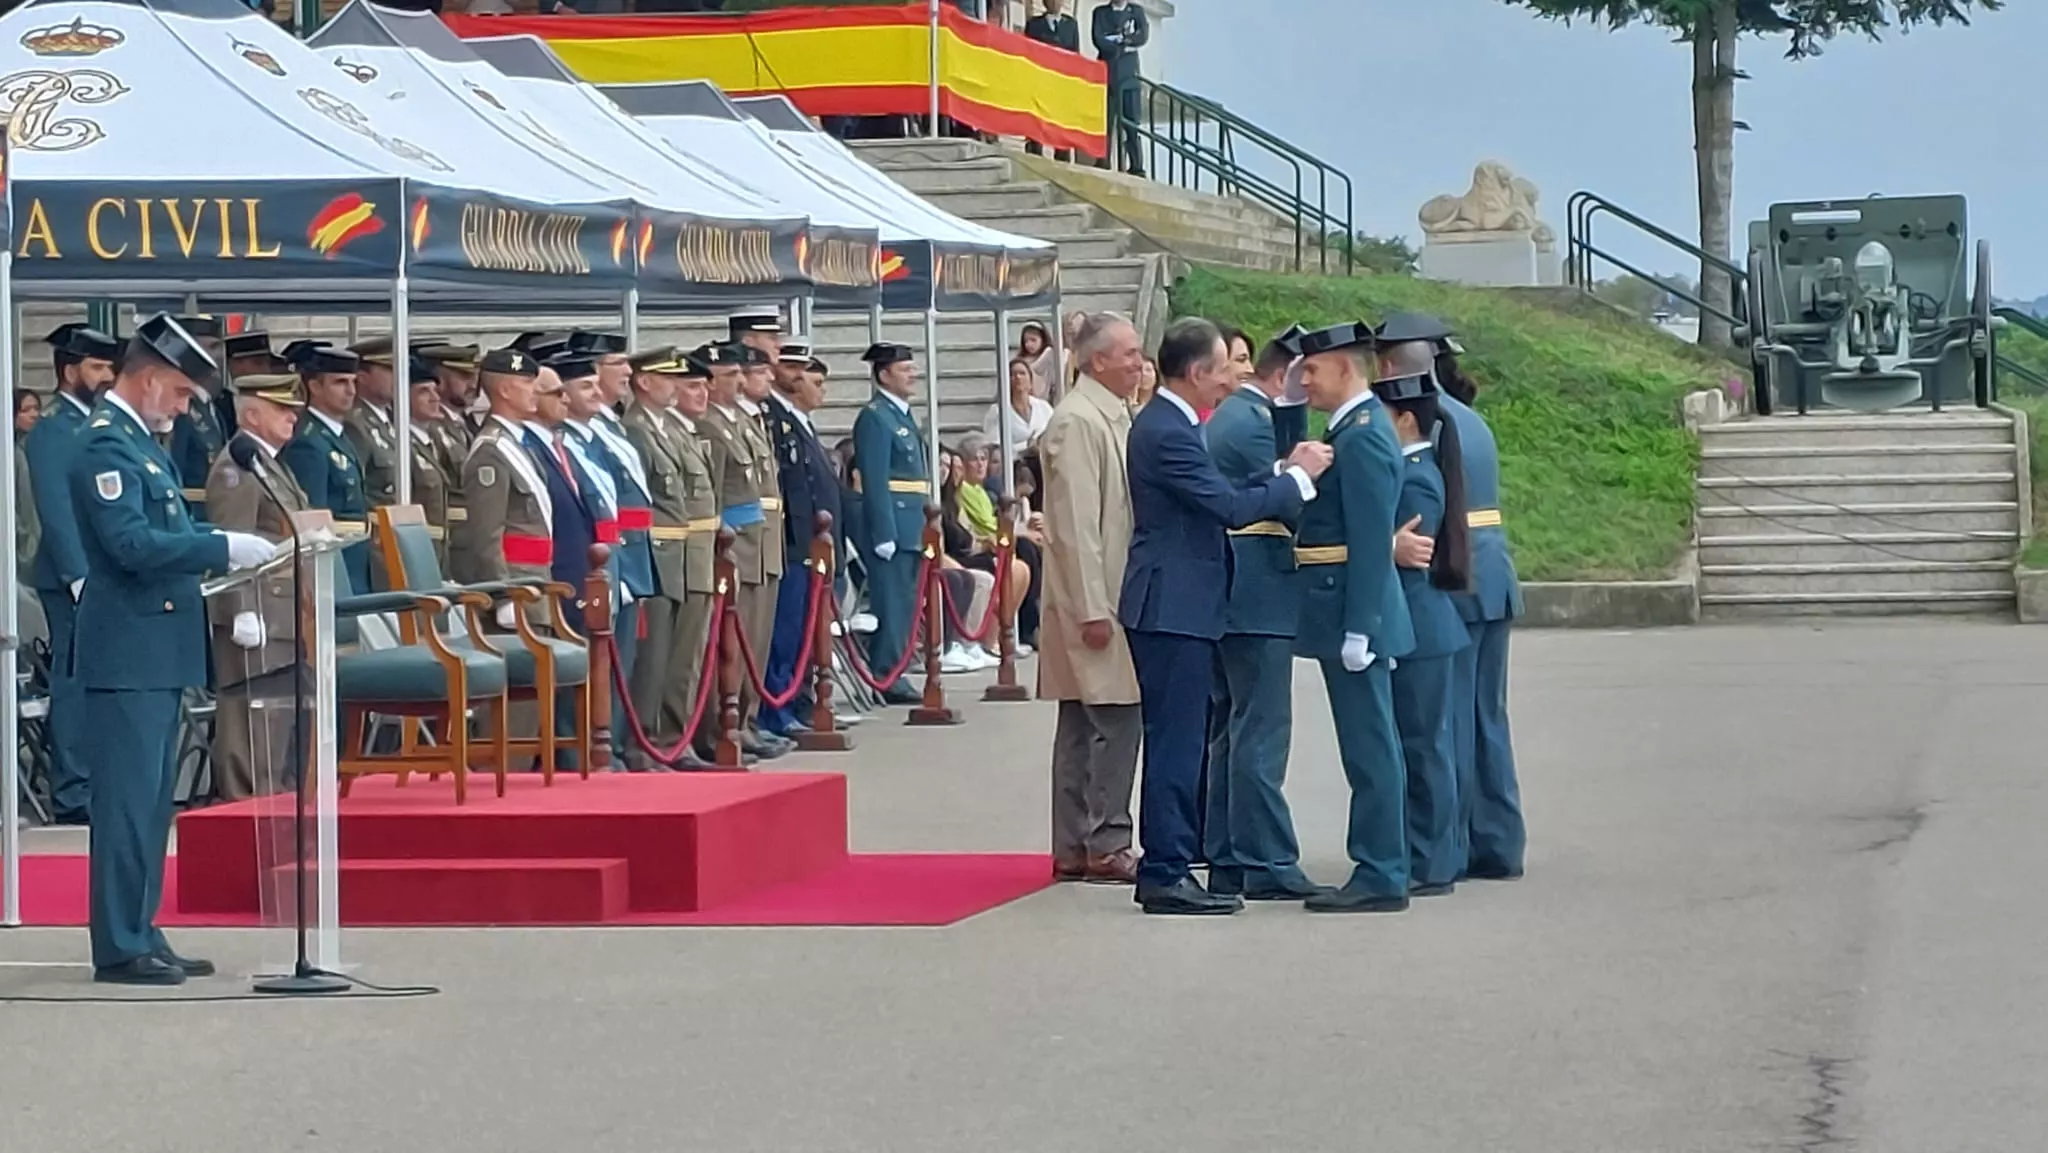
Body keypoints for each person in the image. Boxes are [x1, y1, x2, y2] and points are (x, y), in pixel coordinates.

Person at [72, 313, 277, 985]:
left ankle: (142, 927)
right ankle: (119, 943)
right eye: (184, 394)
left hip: (157, 648)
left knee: (155, 800)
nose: (187, 408)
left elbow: (170, 528)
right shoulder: (106, 446)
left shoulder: (140, 442)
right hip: (129, 649)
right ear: (154, 380)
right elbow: (131, 544)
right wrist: (220, 545)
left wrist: (216, 554)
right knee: (128, 803)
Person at [1119, 318, 1323, 915]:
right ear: (1196, 372)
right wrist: (1297, 478)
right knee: (1178, 745)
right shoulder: (1169, 431)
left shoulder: (1171, 424)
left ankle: (1176, 863)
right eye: (1222, 368)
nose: (1230, 380)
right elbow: (1230, 506)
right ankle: (1166, 871)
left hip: (1181, 601)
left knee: (1182, 740)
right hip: (1173, 603)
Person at [1383, 312, 1527, 880]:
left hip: (1453, 578)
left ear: (1391, 367)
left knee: (1448, 721)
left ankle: (1457, 843)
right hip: (1492, 576)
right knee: (1486, 716)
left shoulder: (1431, 423)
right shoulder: (1470, 418)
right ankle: (1497, 840)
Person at [1291, 320, 1418, 913]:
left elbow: (1370, 540)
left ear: (1345, 367)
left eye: (1313, 368)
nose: (1304, 379)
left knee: (1370, 747)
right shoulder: (1351, 428)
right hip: (1343, 603)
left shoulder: (1364, 435)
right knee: (1367, 744)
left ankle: (1382, 869)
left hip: (1353, 607)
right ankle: (1380, 861)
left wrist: (1360, 625)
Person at [1202, 326, 1323, 902]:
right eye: (1309, 375)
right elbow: (1286, 498)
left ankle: (1229, 854)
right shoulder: (1248, 422)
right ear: (1290, 373)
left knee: (1234, 729)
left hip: (1236, 588)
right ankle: (1266, 858)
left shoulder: (1243, 416)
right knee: (1261, 731)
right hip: (1256, 589)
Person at [1036, 313, 1146, 884]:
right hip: (1095, 594)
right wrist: (1093, 607)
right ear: (1096, 360)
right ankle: (1105, 840)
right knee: (1114, 716)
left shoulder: (1108, 414)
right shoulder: (1080, 422)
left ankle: (1075, 842)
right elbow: (1076, 525)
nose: (1137, 360)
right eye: (1127, 352)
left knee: (1084, 719)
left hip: (1100, 589)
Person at [1372, 351, 1474, 897]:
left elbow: (1404, 550)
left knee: (1421, 744)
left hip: (1419, 623)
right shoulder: (1417, 469)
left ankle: (1431, 859)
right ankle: (1434, 853)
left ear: (1406, 420)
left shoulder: (1414, 478)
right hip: (1425, 623)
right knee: (1423, 742)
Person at [25, 323, 120, 825]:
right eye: (98, 367)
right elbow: (56, 508)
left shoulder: (103, 423)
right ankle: (73, 788)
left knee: (102, 679)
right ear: (69, 371)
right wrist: (78, 575)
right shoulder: (55, 428)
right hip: (73, 577)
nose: (107, 376)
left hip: (108, 575)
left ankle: (98, 780)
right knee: (74, 681)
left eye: (110, 367)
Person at [204, 372, 310, 802]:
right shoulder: (237, 468)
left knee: (277, 721)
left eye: (294, 410)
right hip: (257, 610)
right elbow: (232, 539)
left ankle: (272, 798)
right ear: (250, 413)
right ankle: (245, 803)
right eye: (281, 409)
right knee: (249, 718)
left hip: (283, 606)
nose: (293, 417)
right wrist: (240, 609)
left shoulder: (266, 464)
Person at [621, 347, 716, 771]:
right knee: (657, 658)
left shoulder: (671, 429)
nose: (676, 385)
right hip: (660, 554)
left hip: (685, 554)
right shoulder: (637, 430)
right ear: (644, 382)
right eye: (667, 378)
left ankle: (676, 739)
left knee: (681, 658)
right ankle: (649, 741)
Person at [699, 341, 789, 760]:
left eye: (739, 374)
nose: (738, 381)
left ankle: (748, 719)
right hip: (738, 545)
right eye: (728, 375)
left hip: (763, 542)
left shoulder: (742, 420)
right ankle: (727, 723)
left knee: (756, 640)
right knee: (736, 642)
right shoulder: (710, 427)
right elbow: (715, 495)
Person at [762, 338, 842, 737]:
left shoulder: (798, 422)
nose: (809, 382)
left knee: (807, 634)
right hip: (794, 543)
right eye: (798, 371)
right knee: (787, 633)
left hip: (814, 545)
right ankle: (779, 708)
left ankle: (801, 701)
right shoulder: (775, 420)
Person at [851, 342, 932, 707]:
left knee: (906, 601)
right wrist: (883, 530)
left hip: (912, 519)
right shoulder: (876, 416)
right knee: (892, 602)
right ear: (884, 374)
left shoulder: (900, 414)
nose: (912, 374)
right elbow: (875, 476)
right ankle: (886, 672)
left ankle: (897, 665)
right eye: (904, 369)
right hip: (894, 523)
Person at [278, 342, 371, 590]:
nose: (351, 391)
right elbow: (313, 517)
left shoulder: (340, 436)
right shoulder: (308, 442)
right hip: (334, 562)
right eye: (340, 382)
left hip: (356, 557)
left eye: (353, 382)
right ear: (315, 386)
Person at [166, 315, 227, 514]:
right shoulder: (180, 410)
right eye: (210, 347)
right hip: (193, 514)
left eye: (218, 347)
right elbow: (175, 467)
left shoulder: (210, 405)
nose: (217, 356)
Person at [402, 360, 456, 566]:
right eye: (424, 391)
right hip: (416, 554)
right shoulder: (401, 444)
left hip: (441, 552)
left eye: (435, 391)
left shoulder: (432, 441)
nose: (435, 398)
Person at [343, 336, 406, 510]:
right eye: (389, 370)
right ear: (362, 377)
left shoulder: (395, 418)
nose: (399, 377)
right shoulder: (355, 424)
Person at [1091, 0, 1149, 176]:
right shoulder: (1100, 12)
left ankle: (1136, 166)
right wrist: (1122, 45)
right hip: (1106, 73)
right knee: (1105, 121)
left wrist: (1122, 40)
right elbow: (1098, 39)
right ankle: (1103, 159)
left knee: (1131, 123)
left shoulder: (1136, 11)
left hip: (1129, 76)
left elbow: (1143, 36)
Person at [1023, 0, 1080, 160]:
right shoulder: (1034, 25)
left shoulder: (1071, 25)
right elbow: (1028, 52)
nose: (1055, 3)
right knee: (1037, 121)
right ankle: (1035, 153)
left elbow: (1075, 55)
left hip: (1061, 83)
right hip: (1040, 81)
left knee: (1061, 123)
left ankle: (1062, 157)